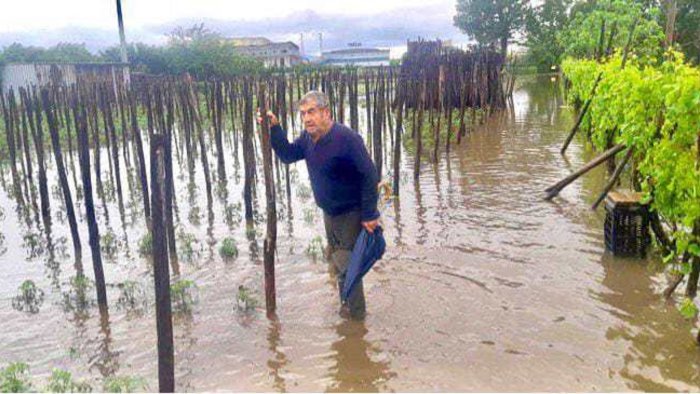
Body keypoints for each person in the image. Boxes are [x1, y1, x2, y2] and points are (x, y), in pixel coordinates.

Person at [260, 90, 380, 319]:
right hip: (329, 213)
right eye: (303, 113)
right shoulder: (308, 138)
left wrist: (370, 214)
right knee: (336, 262)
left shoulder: (346, 139)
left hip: (351, 214)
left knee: (348, 267)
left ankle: (355, 322)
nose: (306, 118)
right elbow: (287, 155)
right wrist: (275, 128)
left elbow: (369, 174)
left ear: (326, 112)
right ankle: (345, 306)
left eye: (312, 112)